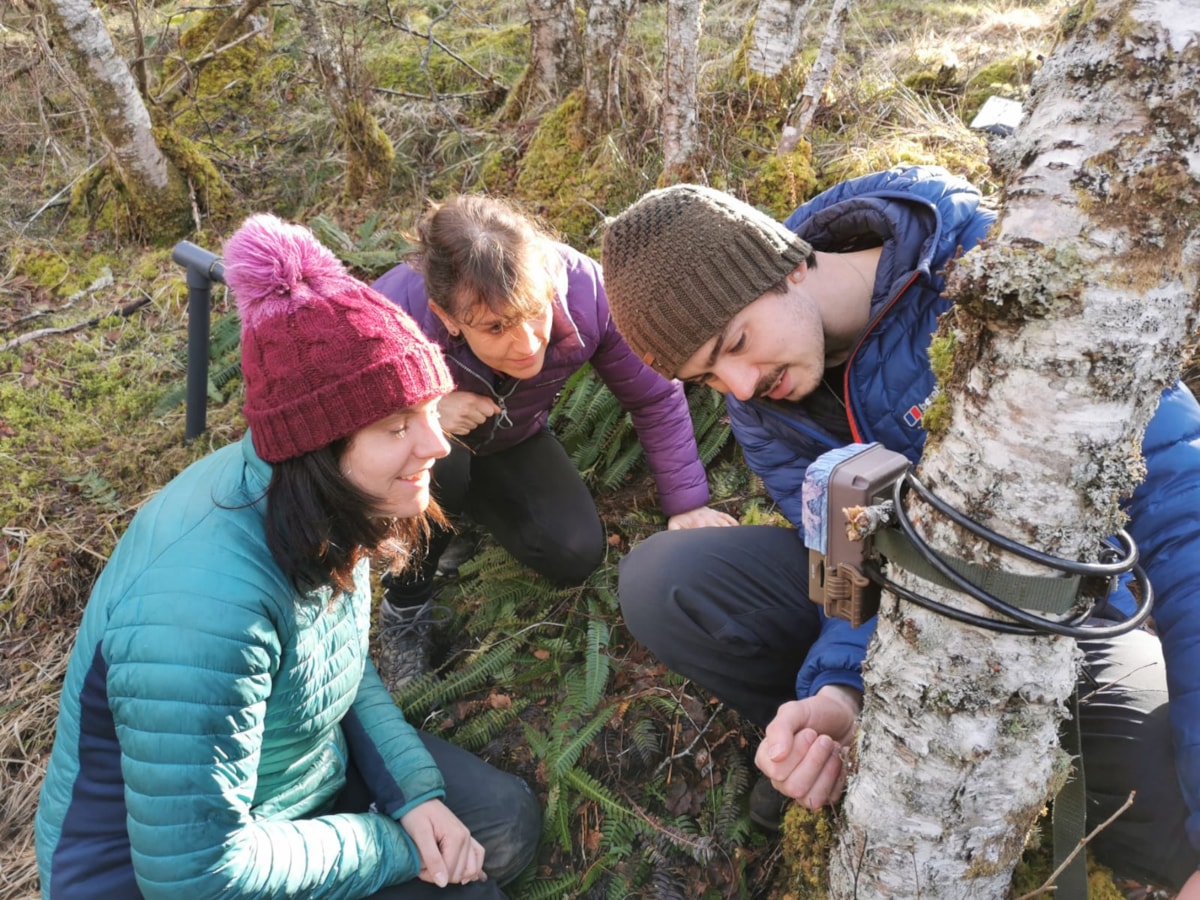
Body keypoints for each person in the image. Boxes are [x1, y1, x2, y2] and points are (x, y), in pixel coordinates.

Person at [600, 165, 1200, 894]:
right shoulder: (763, 408)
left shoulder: (988, 276)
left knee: (1167, 828)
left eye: (736, 341)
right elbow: (849, 564)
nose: (742, 386)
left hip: (1065, 620)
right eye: (708, 378)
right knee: (667, 581)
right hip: (915, 616)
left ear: (783, 266)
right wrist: (839, 694)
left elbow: (1183, 517)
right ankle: (845, 752)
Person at [34, 214, 541, 899]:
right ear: (319, 451)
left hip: (287, 789)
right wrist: (393, 845)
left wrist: (413, 793)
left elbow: (333, 664)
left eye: (428, 410)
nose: (436, 444)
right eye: (397, 427)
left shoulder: (325, 500)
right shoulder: (204, 612)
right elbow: (197, 876)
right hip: (166, 875)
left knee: (502, 827)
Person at [369, 195, 736, 689]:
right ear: (448, 316)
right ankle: (405, 607)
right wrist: (426, 411)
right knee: (435, 457)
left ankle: (457, 518)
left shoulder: (586, 294)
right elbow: (347, 425)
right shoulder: (392, 315)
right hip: (425, 452)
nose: (525, 344)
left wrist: (687, 504)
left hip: (512, 438)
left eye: (534, 312)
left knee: (574, 551)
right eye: (496, 327)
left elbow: (652, 397)